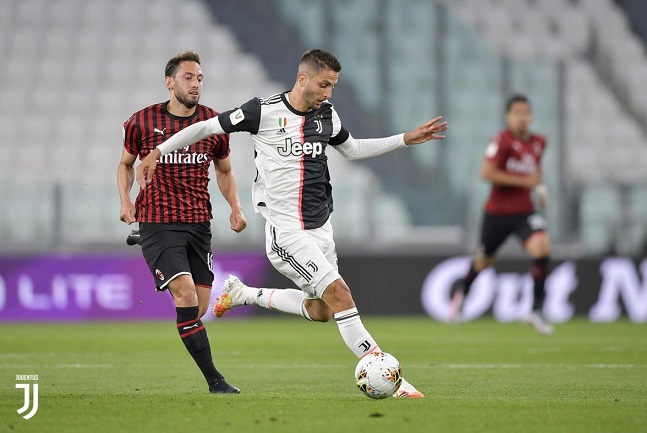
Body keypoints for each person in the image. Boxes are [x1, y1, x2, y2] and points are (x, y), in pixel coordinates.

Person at [136, 49, 448, 398]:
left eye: (333, 86)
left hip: (320, 228)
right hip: (285, 231)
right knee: (341, 294)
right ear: (303, 79)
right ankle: (392, 378)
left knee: (322, 311)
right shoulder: (262, 111)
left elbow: (354, 149)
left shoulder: (327, 115)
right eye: (324, 84)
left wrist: (405, 139)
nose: (328, 93)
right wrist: (158, 151)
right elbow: (209, 126)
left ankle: (244, 293)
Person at [117, 51, 247, 394]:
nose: (195, 84)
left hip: (198, 223)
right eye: (188, 77)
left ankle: (144, 241)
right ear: (170, 81)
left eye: (200, 78)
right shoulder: (142, 121)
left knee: (198, 309)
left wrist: (235, 206)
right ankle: (215, 381)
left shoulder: (212, 122)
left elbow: (224, 170)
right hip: (158, 221)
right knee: (185, 296)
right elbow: (125, 164)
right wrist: (126, 199)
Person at [449, 95, 553, 335]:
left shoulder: (539, 142)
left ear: (531, 116)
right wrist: (525, 181)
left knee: (542, 247)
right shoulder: (501, 141)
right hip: (497, 213)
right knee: (484, 261)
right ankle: (462, 292)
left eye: (525, 112)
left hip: (524, 211)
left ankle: (535, 310)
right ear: (508, 116)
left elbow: (535, 170)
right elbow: (487, 173)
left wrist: (540, 189)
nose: (521, 117)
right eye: (516, 112)